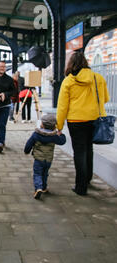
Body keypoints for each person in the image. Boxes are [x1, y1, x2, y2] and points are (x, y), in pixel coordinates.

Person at [56, 51, 110, 196]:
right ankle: (87, 180)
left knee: (79, 152)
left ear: (71, 64)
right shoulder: (97, 77)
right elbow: (105, 99)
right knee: (89, 149)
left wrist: (59, 126)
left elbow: (62, 106)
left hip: (76, 121)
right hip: (94, 120)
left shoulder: (69, 81)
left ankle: (81, 187)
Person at [24, 114, 66, 199]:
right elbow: (62, 141)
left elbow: (29, 144)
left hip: (38, 159)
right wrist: (61, 134)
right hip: (48, 160)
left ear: (42, 124)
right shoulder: (54, 136)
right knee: (45, 173)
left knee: (37, 174)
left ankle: (38, 188)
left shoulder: (36, 134)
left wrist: (26, 151)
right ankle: (44, 187)